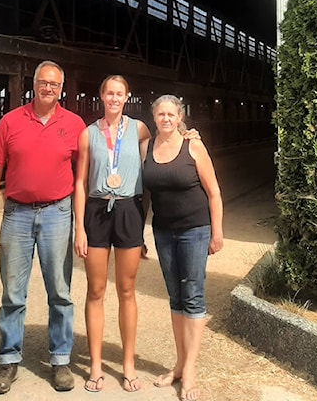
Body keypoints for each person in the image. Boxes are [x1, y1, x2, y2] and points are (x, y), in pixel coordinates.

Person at [0, 61, 86, 395]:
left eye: (54, 84)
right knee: (13, 293)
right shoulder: (11, 122)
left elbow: (85, 173)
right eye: (43, 82)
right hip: (17, 215)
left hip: (57, 212)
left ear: (61, 88)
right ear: (33, 83)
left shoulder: (74, 124)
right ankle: (9, 360)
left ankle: (60, 359)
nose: (48, 89)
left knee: (60, 291)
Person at [141, 94, 224, 401]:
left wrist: (218, 232)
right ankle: (178, 364)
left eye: (170, 114)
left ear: (179, 118)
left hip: (195, 230)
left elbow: (214, 192)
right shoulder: (147, 147)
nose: (165, 119)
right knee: (176, 296)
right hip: (163, 231)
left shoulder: (193, 146)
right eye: (160, 114)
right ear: (154, 117)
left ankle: (189, 370)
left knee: (193, 295)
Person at [73, 75, 150, 393]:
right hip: (96, 209)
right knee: (96, 289)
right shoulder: (88, 134)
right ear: (101, 96)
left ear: (127, 97)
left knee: (127, 290)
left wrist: (188, 132)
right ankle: (95, 364)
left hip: (129, 210)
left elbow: (162, 151)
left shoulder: (140, 129)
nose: (115, 98)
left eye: (120, 94)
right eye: (109, 93)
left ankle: (128, 364)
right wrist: (79, 226)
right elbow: (80, 181)